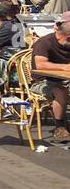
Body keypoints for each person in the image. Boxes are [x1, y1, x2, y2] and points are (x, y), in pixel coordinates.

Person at [30, 11, 70, 142]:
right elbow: (40, 65)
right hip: (43, 81)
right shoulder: (45, 42)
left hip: (64, 78)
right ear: (67, 37)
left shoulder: (66, 42)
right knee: (61, 91)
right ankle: (60, 127)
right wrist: (64, 67)